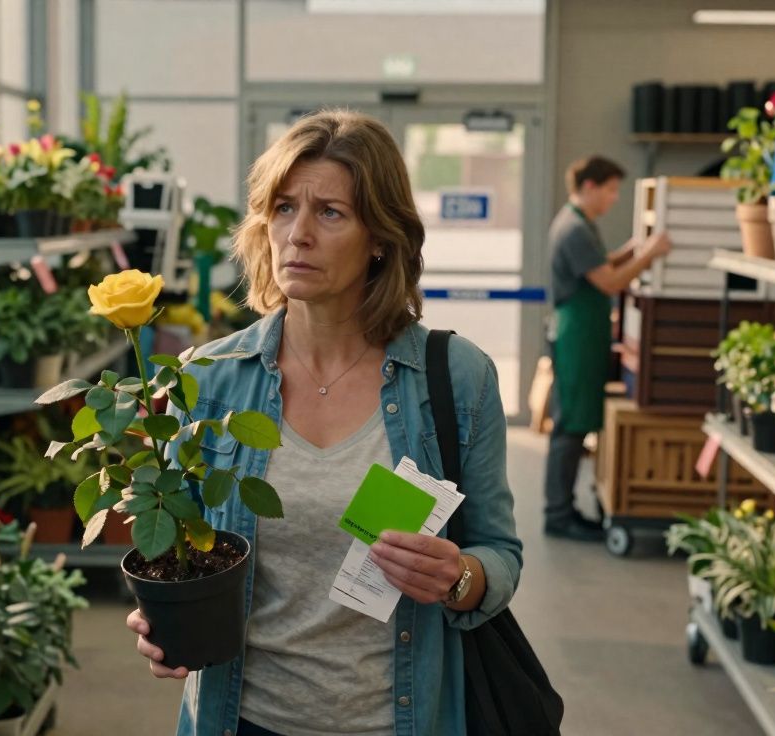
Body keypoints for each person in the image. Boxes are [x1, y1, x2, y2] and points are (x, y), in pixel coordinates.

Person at [125, 110, 522, 736]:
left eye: (330, 213)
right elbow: (178, 548)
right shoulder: (209, 379)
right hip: (241, 719)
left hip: (400, 720)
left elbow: (498, 553)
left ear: (381, 238)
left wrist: (458, 577)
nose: (298, 234)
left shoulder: (455, 378)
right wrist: (161, 618)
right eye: (283, 208)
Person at [542, 156, 672, 542]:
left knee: (574, 424)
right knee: (569, 427)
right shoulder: (575, 229)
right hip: (576, 336)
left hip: (582, 333)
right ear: (589, 186)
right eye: (611, 190)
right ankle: (559, 515)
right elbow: (610, 282)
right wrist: (649, 255)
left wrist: (632, 249)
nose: (614, 198)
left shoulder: (579, 224)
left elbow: (600, 265)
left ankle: (564, 509)